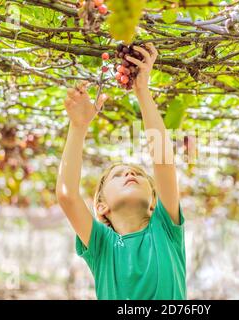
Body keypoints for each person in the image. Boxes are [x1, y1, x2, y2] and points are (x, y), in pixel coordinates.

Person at [56, 43, 186, 300]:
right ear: (102, 206)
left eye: (137, 174)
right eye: (118, 175)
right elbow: (67, 195)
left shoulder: (165, 228)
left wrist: (142, 91)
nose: (130, 174)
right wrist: (78, 127)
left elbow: (162, 159)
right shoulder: (101, 246)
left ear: (153, 203)